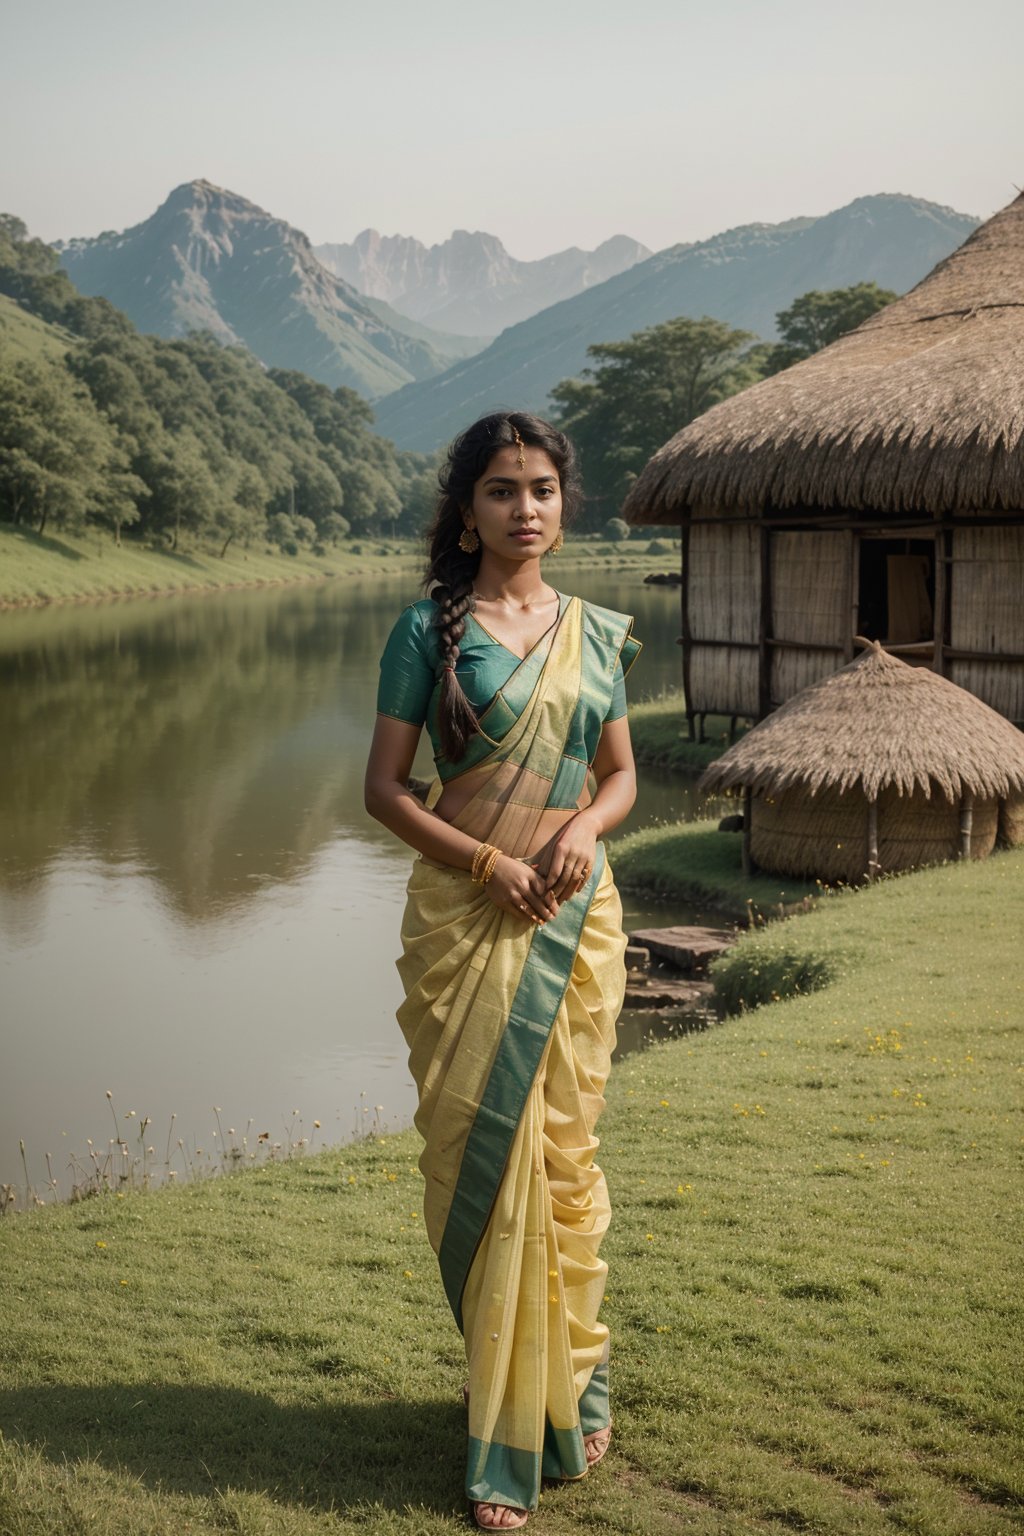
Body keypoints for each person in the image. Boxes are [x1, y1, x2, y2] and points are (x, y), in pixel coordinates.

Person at [364, 411, 640, 1530]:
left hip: (574, 922)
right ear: (464, 510)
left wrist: (581, 833)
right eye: (499, 490)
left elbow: (620, 778)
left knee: (562, 1162)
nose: (524, 507)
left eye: (540, 488)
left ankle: (574, 1391)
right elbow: (383, 791)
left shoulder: (597, 634)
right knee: (477, 1158)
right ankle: (502, 1421)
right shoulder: (427, 630)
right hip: (465, 922)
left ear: (563, 504)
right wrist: (486, 861)